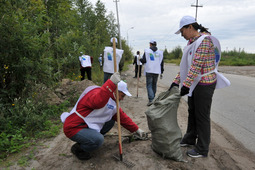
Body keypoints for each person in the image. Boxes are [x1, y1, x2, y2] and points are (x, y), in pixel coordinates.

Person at [169, 15, 230, 158]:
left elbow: (196, 66)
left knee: (202, 115)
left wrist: (186, 85)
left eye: (182, 31)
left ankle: (202, 148)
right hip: (195, 83)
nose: (182, 35)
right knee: (192, 111)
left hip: (204, 83)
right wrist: (176, 81)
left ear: (190, 27)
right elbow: (186, 66)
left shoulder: (205, 40)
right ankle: (190, 138)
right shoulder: (192, 42)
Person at [60, 72, 146, 160]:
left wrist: (136, 130)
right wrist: (111, 83)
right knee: (98, 140)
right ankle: (79, 149)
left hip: (86, 125)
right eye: (122, 96)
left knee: (111, 121)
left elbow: (122, 118)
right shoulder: (96, 93)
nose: (122, 99)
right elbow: (98, 102)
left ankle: (90, 138)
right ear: (115, 91)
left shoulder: (114, 102)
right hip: (74, 127)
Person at [140, 39, 164, 106]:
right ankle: (153, 98)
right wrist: (161, 71)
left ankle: (151, 99)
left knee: (149, 85)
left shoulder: (147, 51)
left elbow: (144, 60)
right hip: (156, 71)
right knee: (154, 84)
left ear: (150, 44)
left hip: (149, 70)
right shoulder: (160, 52)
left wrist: (140, 60)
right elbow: (162, 63)